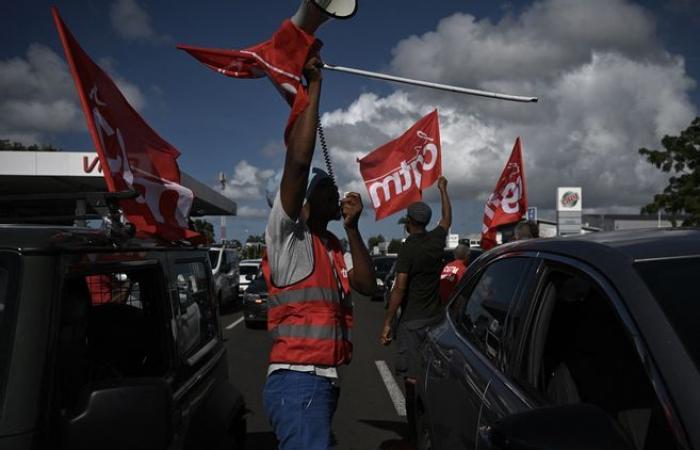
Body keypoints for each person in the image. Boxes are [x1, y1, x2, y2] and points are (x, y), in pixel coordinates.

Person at [261, 53, 376, 450]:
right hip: (298, 381)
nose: (335, 195)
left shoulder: (330, 244)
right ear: (303, 205)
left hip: (318, 381)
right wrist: (314, 88)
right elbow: (297, 164)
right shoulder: (288, 237)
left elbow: (366, 284)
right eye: (324, 192)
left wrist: (353, 230)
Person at [379, 176, 451, 442]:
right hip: (435, 318)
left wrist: (388, 322)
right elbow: (446, 218)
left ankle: (415, 430)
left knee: (411, 379)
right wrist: (443, 190)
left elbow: (399, 289)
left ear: (409, 222)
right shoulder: (436, 240)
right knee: (431, 374)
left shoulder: (408, 248)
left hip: (412, 322)